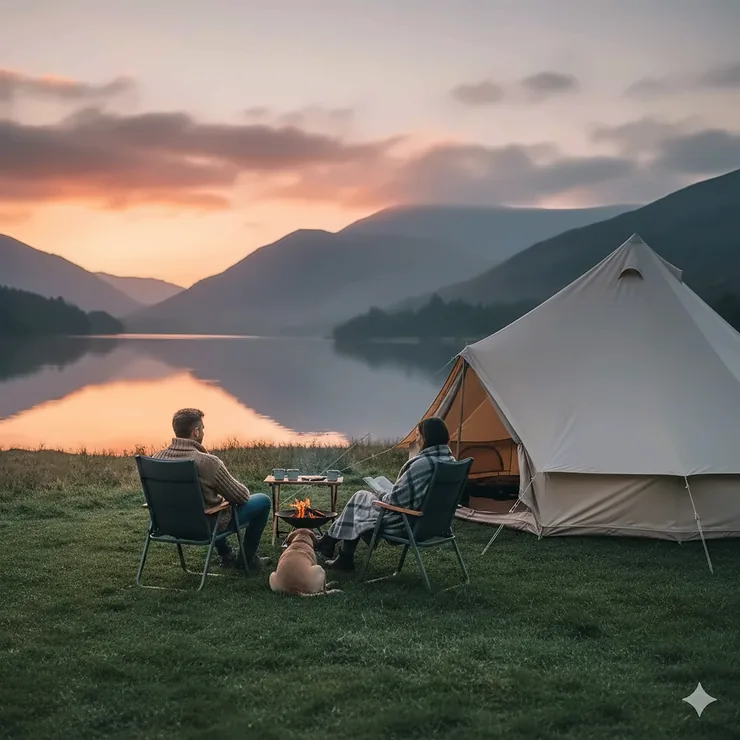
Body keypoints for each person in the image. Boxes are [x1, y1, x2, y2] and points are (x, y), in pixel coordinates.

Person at [316, 416, 456, 570]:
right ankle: (334, 548)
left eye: (418, 435)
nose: (416, 441)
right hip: (436, 524)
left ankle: (332, 546)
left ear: (427, 437)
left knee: (360, 497)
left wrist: (381, 494)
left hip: (406, 524)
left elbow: (395, 500)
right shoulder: (451, 462)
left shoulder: (423, 465)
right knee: (362, 501)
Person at [152, 408, 271, 570]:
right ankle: (247, 559)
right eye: (202, 428)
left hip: (168, 525)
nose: (203, 432)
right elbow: (241, 497)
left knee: (212, 503)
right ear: (196, 431)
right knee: (263, 501)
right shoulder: (207, 462)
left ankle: (226, 555)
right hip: (203, 527)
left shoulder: (156, 459)